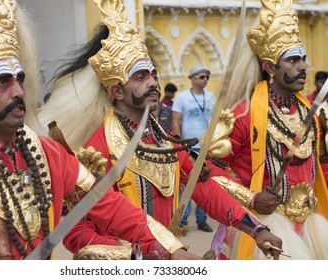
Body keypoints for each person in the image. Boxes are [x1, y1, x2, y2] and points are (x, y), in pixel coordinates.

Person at [0, 0, 208, 260]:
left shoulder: (47, 153)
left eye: (20, 79)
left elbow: (108, 205)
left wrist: (172, 250)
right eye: (1, 82)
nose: (19, 91)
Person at [38, 0, 283, 260]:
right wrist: (139, 256)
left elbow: (208, 190)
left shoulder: (164, 143)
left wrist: (256, 228)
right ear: (117, 91)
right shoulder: (97, 151)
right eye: (141, 77)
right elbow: (77, 232)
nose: (153, 83)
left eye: (153, 75)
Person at [206, 0, 328, 259]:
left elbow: (320, 170)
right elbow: (207, 171)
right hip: (266, 229)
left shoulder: (310, 115)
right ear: (270, 67)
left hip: (312, 227)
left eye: (303, 59)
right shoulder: (242, 115)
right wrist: (251, 198)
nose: (303, 66)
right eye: (293, 60)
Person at [171, 66, 216, 233]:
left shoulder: (211, 97)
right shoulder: (182, 97)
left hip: (206, 147)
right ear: (193, 79)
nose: (205, 80)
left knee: (204, 183)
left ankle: (202, 220)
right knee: (186, 182)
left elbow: (215, 121)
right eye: (202, 77)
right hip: (188, 146)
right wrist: (179, 144)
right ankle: (182, 220)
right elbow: (176, 121)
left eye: (207, 77)